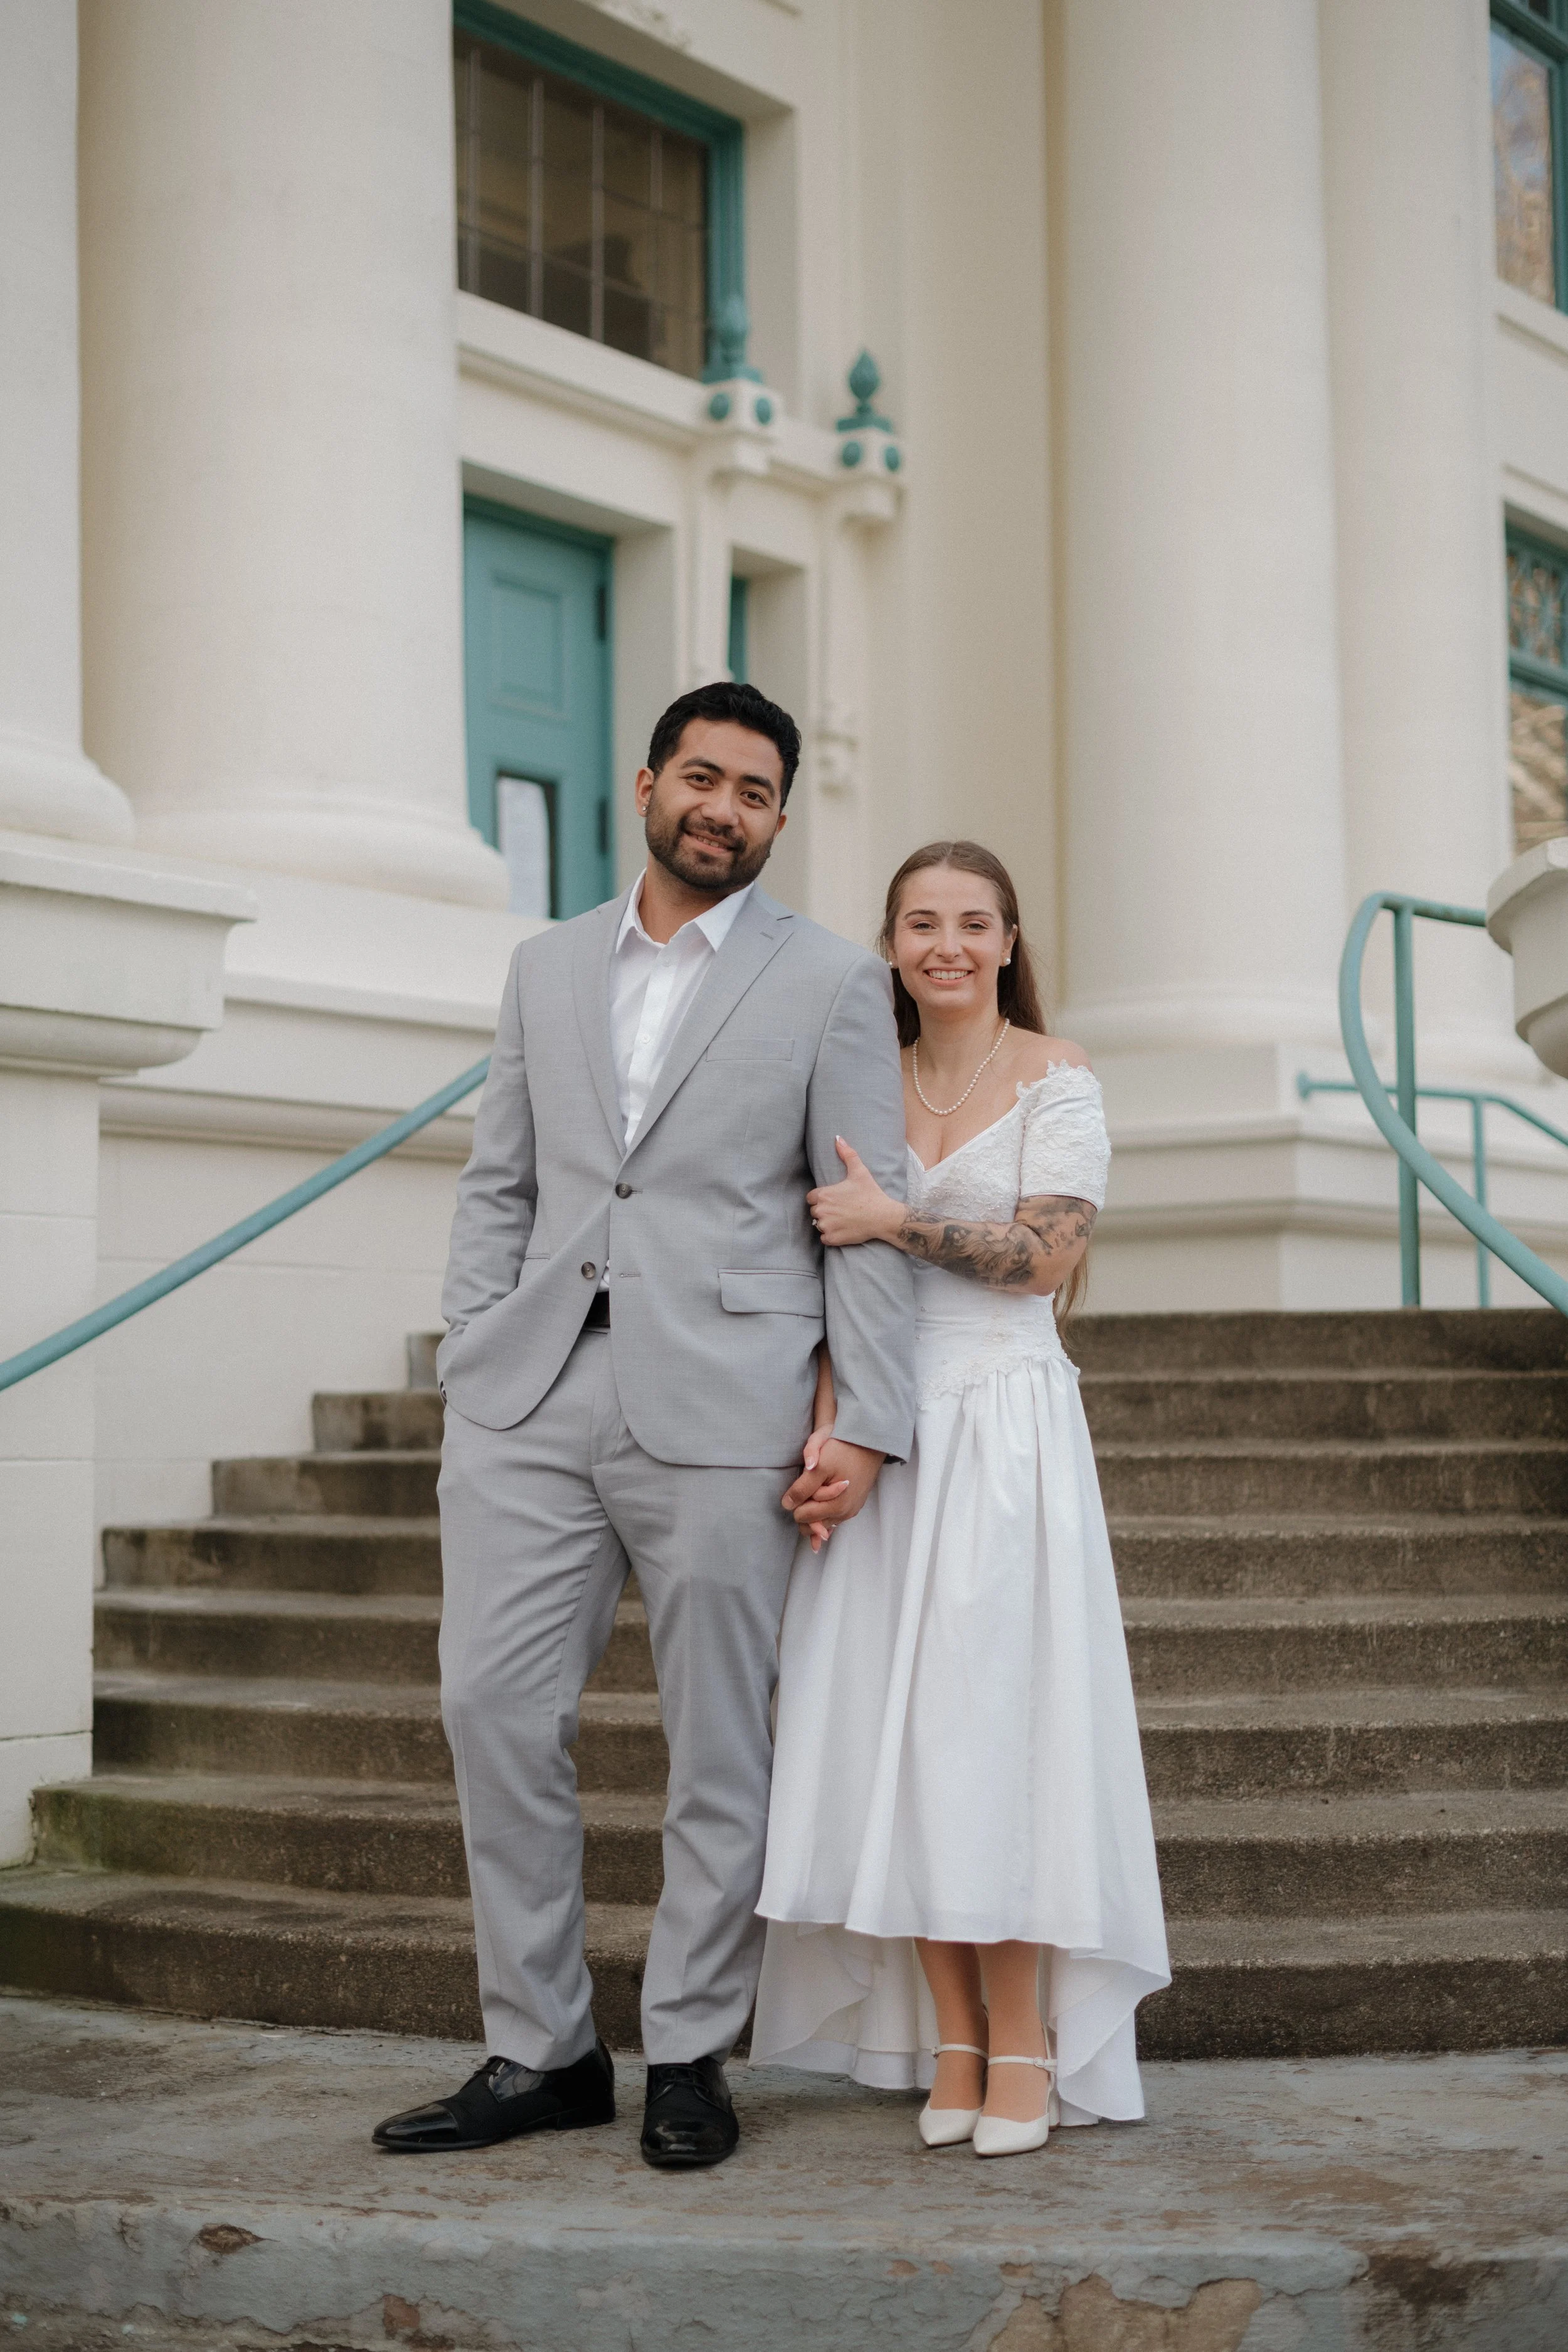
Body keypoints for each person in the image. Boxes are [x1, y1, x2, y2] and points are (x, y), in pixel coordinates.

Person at [371, 682, 915, 2170]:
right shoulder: (545, 966)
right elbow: (499, 1179)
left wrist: (864, 1418)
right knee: (491, 1710)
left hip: (727, 1401)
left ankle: (686, 2048)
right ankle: (542, 2048)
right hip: (530, 1395)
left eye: (753, 790)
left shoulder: (832, 981)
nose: (722, 808)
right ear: (647, 784)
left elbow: (862, 1217)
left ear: (780, 819)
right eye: (700, 777)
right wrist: (473, 1341)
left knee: (717, 1748)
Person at [752, 839, 1169, 2157]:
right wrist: (826, 1435)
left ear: (1004, 943)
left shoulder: (1058, 1076)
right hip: (883, 1431)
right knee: (899, 1734)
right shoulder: (857, 1080)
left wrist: (893, 1221)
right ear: (889, 944)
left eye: (970, 923)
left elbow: (1040, 1258)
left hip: (1002, 1430)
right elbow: (826, 1285)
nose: (945, 943)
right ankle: (947, 2038)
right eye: (920, 922)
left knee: (994, 1737)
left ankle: (1028, 2046)